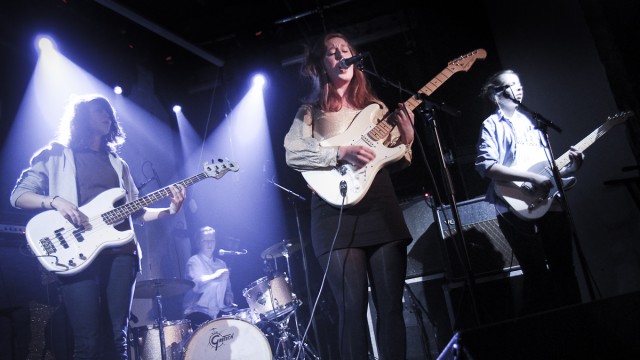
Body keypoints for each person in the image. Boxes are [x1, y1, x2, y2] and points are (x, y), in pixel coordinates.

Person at [9, 94, 186, 359]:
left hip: (121, 253)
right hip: (75, 252)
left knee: (118, 338)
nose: (107, 115)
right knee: (87, 341)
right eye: (98, 111)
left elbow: (136, 211)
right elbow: (18, 196)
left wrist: (170, 210)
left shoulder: (118, 164)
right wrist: (54, 201)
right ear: (81, 117)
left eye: (108, 111)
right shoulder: (56, 154)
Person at [284, 33, 415, 360]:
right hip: (333, 214)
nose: (340, 56)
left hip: (380, 208)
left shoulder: (377, 109)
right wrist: (340, 152)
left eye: (345, 51)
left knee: (391, 307)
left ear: (356, 60)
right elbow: (293, 153)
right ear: (321, 65)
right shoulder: (310, 111)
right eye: (331, 53)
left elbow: (397, 159)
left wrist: (409, 139)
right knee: (351, 310)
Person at [475, 69, 584, 315]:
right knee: (537, 273)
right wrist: (530, 177)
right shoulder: (492, 124)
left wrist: (573, 166)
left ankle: (579, 320)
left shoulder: (532, 122)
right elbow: (486, 165)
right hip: (513, 204)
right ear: (496, 94)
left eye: (519, 83)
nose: (518, 88)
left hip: (548, 202)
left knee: (564, 267)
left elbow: (546, 172)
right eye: (510, 85)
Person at [182, 226, 235, 331]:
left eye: (212, 240)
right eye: (205, 240)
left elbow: (228, 288)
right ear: (198, 243)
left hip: (216, 314)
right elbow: (196, 285)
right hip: (196, 313)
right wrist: (216, 276)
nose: (209, 244)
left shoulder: (221, 263)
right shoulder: (194, 261)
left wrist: (229, 295)